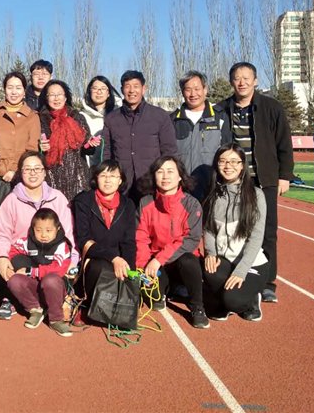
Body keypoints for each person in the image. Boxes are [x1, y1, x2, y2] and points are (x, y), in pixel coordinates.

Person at [218, 62, 293, 304]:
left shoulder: (271, 107)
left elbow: (284, 143)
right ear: (231, 82)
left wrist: (284, 176)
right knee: (232, 229)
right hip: (233, 181)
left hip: (265, 180)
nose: (242, 82)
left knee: (267, 231)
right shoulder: (222, 109)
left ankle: (267, 282)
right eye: (237, 78)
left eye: (246, 77)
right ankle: (232, 273)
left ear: (255, 80)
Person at [0, 151, 77, 320]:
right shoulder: (11, 200)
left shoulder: (58, 198)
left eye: (37, 168)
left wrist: (73, 262)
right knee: (16, 271)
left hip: (52, 257)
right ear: (20, 172)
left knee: (53, 277)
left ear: (45, 172)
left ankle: (57, 298)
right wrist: (2, 257)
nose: (33, 173)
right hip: (25, 256)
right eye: (27, 169)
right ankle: (30, 302)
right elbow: (2, 233)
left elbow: (70, 233)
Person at [135, 156, 208, 329]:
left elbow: (191, 239)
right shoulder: (146, 202)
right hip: (156, 263)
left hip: (180, 260)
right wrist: (142, 267)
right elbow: (140, 236)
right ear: (154, 176)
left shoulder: (191, 204)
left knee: (188, 260)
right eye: (160, 172)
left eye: (170, 171)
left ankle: (197, 306)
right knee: (153, 301)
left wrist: (158, 259)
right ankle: (168, 290)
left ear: (180, 176)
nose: (165, 176)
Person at [203, 144, 269, 323]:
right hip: (225, 260)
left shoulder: (256, 195)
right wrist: (211, 253)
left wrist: (241, 271)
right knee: (208, 272)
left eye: (234, 161)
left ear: (242, 166)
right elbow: (209, 229)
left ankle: (252, 299)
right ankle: (224, 296)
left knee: (233, 301)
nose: (228, 166)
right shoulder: (213, 194)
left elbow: (256, 237)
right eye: (223, 161)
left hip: (251, 264)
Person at [100, 70, 177, 200]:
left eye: (136, 86)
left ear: (143, 89)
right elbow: (106, 152)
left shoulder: (159, 116)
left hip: (151, 183)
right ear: (122, 89)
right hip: (122, 185)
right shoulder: (111, 119)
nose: (131, 91)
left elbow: (169, 151)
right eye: (127, 86)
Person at [73, 161, 138, 306]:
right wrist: (113, 258)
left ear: (120, 180)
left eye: (113, 176)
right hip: (93, 258)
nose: (108, 180)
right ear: (96, 178)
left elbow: (128, 242)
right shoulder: (83, 201)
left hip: (118, 259)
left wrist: (130, 272)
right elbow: (84, 240)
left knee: (130, 289)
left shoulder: (128, 204)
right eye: (103, 175)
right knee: (101, 269)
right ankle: (88, 305)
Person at [0, 71, 40, 211]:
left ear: (24, 91)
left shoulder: (32, 116)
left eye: (18, 88)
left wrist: (15, 169)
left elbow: (32, 149)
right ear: (4, 89)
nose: (14, 92)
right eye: (10, 87)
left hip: (19, 175)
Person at [7, 208, 74, 337]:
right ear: (33, 229)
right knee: (14, 280)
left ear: (57, 229)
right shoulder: (27, 242)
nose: (43, 235)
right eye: (38, 230)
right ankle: (36, 309)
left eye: (48, 230)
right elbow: (13, 251)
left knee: (50, 280)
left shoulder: (62, 246)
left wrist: (31, 271)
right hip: (38, 287)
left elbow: (58, 269)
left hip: (56, 289)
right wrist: (12, 267)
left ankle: (56, 319)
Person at [171, 70, 230, 201]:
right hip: (182, 190)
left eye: (197, 89)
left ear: (205, 90)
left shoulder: (219, 117)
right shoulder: (173, 120)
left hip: (213, 189)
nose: (193, 94)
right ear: (182, 92)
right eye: (188, 89)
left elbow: (228, 152)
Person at [38, 79, 96, 200]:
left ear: (65, 97)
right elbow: (34, 148)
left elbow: (86, 147)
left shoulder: (77, 117)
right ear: (46, 98)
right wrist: (41, 148)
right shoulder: (40, 119)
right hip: (51, 176)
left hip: (77, 176)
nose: (56, 98)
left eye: (59, 94)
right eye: (52, 95)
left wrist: (90, 145)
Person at [79, 76, 121, 167]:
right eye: (95, 88)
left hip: (113, 168)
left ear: (108, 93)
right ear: (89, 92)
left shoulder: (118, 115)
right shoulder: (81, 117)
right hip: (89, 167)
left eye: (103, 88)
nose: (99, 92)